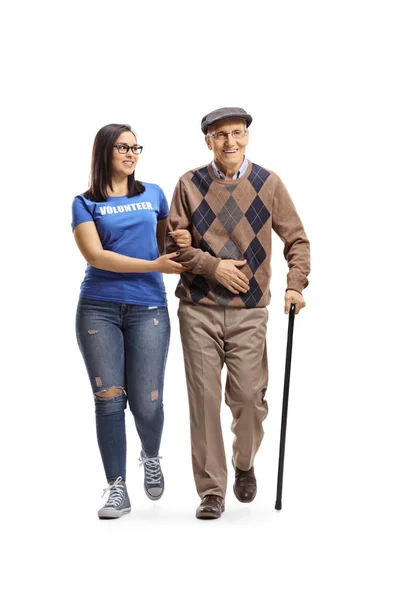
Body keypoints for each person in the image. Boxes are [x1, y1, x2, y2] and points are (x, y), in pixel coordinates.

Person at [166, 107, 310, 519]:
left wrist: (295, 285)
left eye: (238, 133)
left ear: (247, 135)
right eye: (220, 135)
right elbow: (173, 246)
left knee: (249, 398)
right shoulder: (188, 184)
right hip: (198, 308)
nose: (230, 142)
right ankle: (212, 490)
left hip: (249, 311)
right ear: (207, 141)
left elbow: (297, 240)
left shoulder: (269, 184)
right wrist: (213, 266)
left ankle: (244, 461)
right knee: (205, 399)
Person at [72, 123, 191, 519]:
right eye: (122, 146)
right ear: (104, 151)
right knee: (109, 400)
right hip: (98, 307)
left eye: (135, 146)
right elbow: (96, 256)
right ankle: (116, 488)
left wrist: (182, 249)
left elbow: (167, 244)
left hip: (148, 309)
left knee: (147, 403)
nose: (130, 153)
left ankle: (151, 454)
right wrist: (154, 265)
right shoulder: (84, 203)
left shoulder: (154, 194)